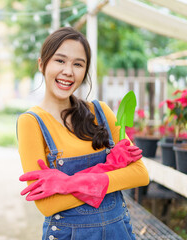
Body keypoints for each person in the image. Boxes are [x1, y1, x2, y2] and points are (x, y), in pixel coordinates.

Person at [17, 27, 149, 240]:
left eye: (78, 64)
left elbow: (140, 174)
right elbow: (48, 204)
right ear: (42, 64)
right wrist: (112, 174)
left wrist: (68, 184)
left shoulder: (101, 113)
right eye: (60, 61)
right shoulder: (31, 123)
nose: (68, 71)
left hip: (119, 233)